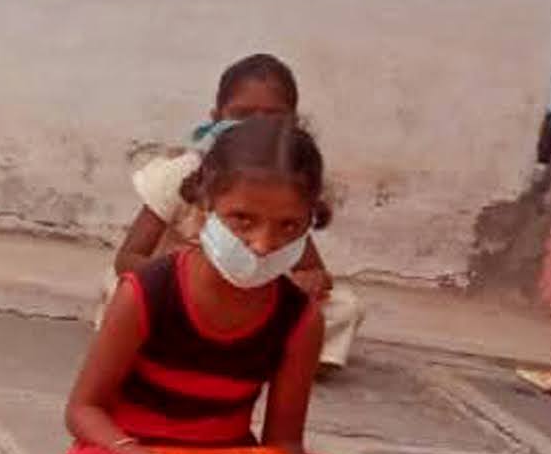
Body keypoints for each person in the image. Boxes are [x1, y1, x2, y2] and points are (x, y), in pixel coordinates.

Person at [59, 118, 415, 454]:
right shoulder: (147, 292)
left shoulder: (299, 318)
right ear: (206, 203)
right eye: (243, 220)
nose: (263, 245)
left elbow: (284, 443)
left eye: (289, 226)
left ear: (311, 221)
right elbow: (83, 410)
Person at [107, 54, 364, 371]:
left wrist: (308, 282)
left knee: (343, 308)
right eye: (242, 115)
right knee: (123, 292)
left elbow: (314, 271)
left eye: (272, 117)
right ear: (216, 118)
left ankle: (275, 358)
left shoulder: (290, 184)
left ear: (293, 123)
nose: (255, 126)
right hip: (180, 292)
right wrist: (176, 277)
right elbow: (127, 258)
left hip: (252, 300)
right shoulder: (179, 174)